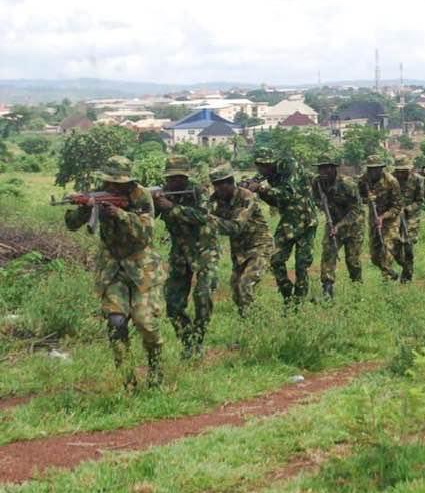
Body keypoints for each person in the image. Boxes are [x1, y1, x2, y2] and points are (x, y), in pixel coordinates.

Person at [64, 156, 165, 388]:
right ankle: (126, 378)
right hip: (112, 268)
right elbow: (71, 224)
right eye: (109, 182)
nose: (112, 187)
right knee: (116, 321)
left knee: (145, 323)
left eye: (117, 183)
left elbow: (146, 233)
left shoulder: (141, 195)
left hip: (142, 268)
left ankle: (156, 369)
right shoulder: (97, 194)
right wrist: (85, 210)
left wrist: (119, 214)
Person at [153, 155, 219, 360]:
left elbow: (203, 217)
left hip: (205, 252)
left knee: (202, 297)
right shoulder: (162, 193)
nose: (174, 182)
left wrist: (171, 207)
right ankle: (188, 341)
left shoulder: (198, 191)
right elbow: (144, 215)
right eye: (171, 178)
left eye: (178, 178)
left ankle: (198, 339)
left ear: (186, 176)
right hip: (180, 255)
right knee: (173, 304)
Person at [244, 147, 318, 306]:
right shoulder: (268, 176)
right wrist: (257, 190)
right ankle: (287, 295)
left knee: (301, 264)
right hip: (289, 221)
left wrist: (261, 188)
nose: (263, 169)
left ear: (273, 162)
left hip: (306, 220)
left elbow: (288, 193)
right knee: (275, 259)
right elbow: (277, 202)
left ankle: (299, 302)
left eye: (266, 165)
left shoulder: (289, 165)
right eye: (259, 165)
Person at [208, 164, 273, 316]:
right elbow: (202, 213)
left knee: (245, 285)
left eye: (222, 183)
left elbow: (235, 227)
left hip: (259, 246)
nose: (219, 188)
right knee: (236, 289)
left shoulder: (245, 197)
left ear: (230, 182)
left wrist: (207, 219)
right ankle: (255, 318)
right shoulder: (215, 199)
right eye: (215, 184)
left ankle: (252, 324)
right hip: (239, 250)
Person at [311, 154, 363, 298]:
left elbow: (356, 209)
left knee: (352, 260)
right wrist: (323, 205)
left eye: (326, 168)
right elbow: (315, 198)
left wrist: (340, 225)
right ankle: (327, 289)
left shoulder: (348, 184)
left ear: (334, 169)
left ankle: (357, 288)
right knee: (328, 252)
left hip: (353, 224)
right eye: (320, 168)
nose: (322, 172)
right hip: (332, 222)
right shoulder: (317, 183)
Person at [359, 154, 403, 280]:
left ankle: (386, 281)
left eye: (376, 168)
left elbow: (397, 206)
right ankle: (391, 272)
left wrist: (383, 217)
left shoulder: (391, 181)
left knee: (386, 249)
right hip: (374, 219)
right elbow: (357, 198)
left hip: (390, 219)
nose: (373, 171)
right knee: (374, 256)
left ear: (381, 168)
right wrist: (367, 199)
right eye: (371, 169)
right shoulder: (363, 180)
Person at [393, 155, 425, 283]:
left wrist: (407, 209)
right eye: (399, 171)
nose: (401, 174)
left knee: (408, 246)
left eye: (404, 171)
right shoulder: (391, 179)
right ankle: (405, 267)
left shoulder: (418, 180)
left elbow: (419, 201)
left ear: (409, 169)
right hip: (393, 217)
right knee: (394, 247)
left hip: (411, 218)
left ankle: (407, 277)